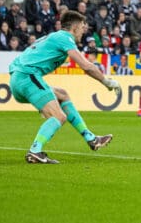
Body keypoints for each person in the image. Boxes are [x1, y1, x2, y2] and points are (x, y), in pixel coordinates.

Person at [9, 11, 120, 164]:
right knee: (59, 117)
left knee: (62, 94)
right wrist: (106, 82)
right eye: (82, 27)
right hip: (28, 77)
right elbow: (86, 66)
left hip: (19, 78)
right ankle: (35, 151)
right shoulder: (65, 38)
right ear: (74, 27)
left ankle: (91, 139)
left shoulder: (53, 36)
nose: (83, 30)